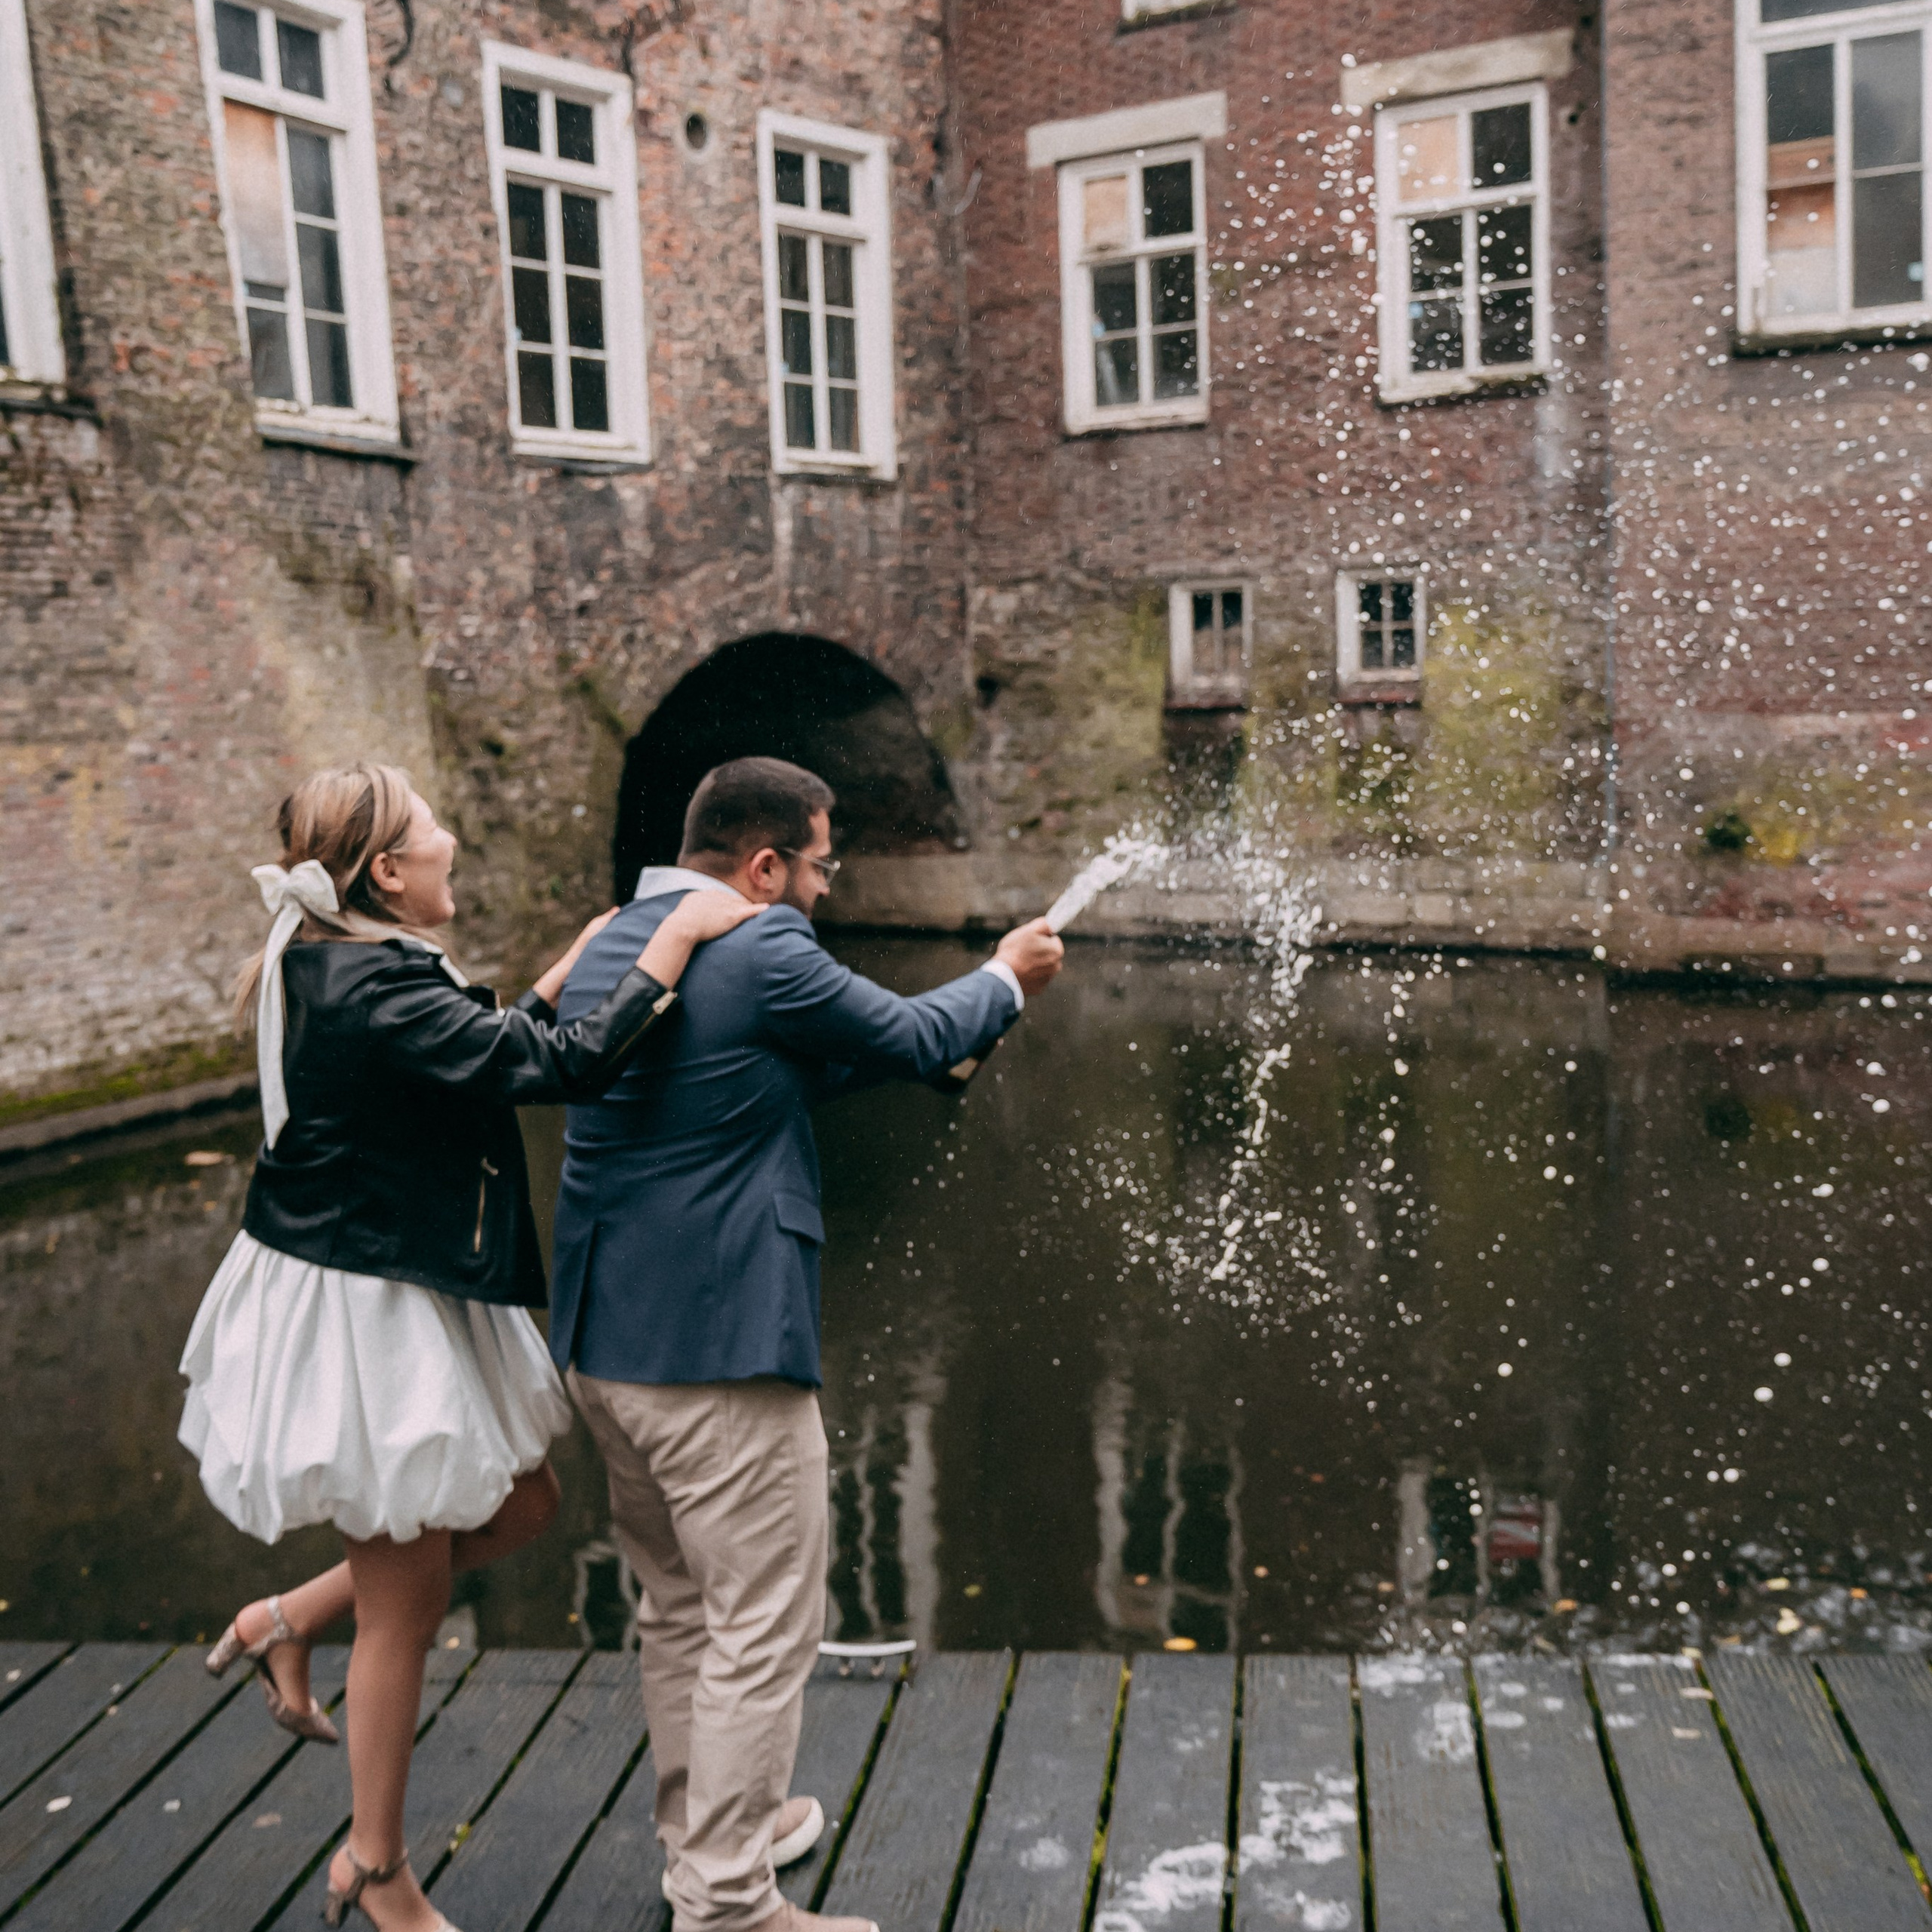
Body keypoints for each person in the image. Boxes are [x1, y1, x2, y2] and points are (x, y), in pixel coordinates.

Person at [177, 763, 761, 1932]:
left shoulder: (353, 958)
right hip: (363, 1308)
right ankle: (378, 1871)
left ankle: (284, 1620)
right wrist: (679, 937)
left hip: (395, 1273)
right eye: (434, 829)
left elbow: (476, 1048)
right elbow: (558, 1069)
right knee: (406, 1602)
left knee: (524, 1504)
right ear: (389, 873)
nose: (454, 840)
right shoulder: (368, 984)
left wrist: (572, 962)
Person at [552, 755, 1064, 1932]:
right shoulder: (762, 943)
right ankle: (728, 1901)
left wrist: (931, 1051)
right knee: (762, 1619)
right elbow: (915, 1023)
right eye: (824, 865)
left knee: (679, 1605)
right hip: (717, 1348)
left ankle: (712, 1829)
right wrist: (1006, 979)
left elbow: (742, 1076)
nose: (830, 890)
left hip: (603, 1339)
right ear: (766, 862)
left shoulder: (619, 934)